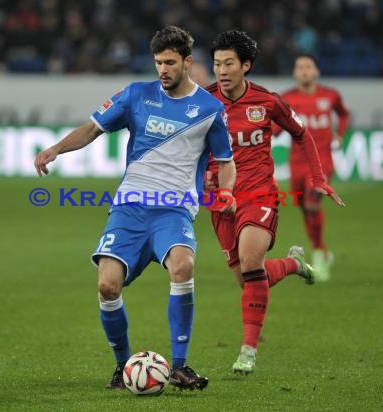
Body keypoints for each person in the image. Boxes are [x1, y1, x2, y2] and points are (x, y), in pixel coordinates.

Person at [34, 26, 237, 391]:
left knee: (183, 266)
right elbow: (92, 129)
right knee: (107, 286)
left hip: (173, 210)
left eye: (170, 62)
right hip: (129, 208)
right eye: (158, 62)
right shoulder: (135, 95)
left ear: (187, 62)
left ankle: (179, 365)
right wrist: (56, 149)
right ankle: (121, 366)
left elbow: (225, 161)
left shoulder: (210, 110)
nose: (163, 69)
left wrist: (225, 192)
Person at [204, 30, 344, 374]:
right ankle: (294, 265)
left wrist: (318, 178)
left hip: (258, 193)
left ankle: (248, 350)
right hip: (219, 200)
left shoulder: (267, 101)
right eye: (217, 64)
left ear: (245, 66)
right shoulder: (201, 102)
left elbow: (302, 134)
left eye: (228, 64)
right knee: (248, 279)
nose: (221, 70)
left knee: (252, 263)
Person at [277, 54, 350, 281]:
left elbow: (344, 114)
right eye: (300, 67)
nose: (305, 71)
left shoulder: (330, 96)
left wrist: (340, 134)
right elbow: (275, 127)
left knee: (311, 202)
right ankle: (322, 249)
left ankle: (319, 255)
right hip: (297, 165)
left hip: (322, 164)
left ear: (316, 71)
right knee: (306, 209)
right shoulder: (286, 98)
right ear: (295, 73)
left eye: (309, 67)